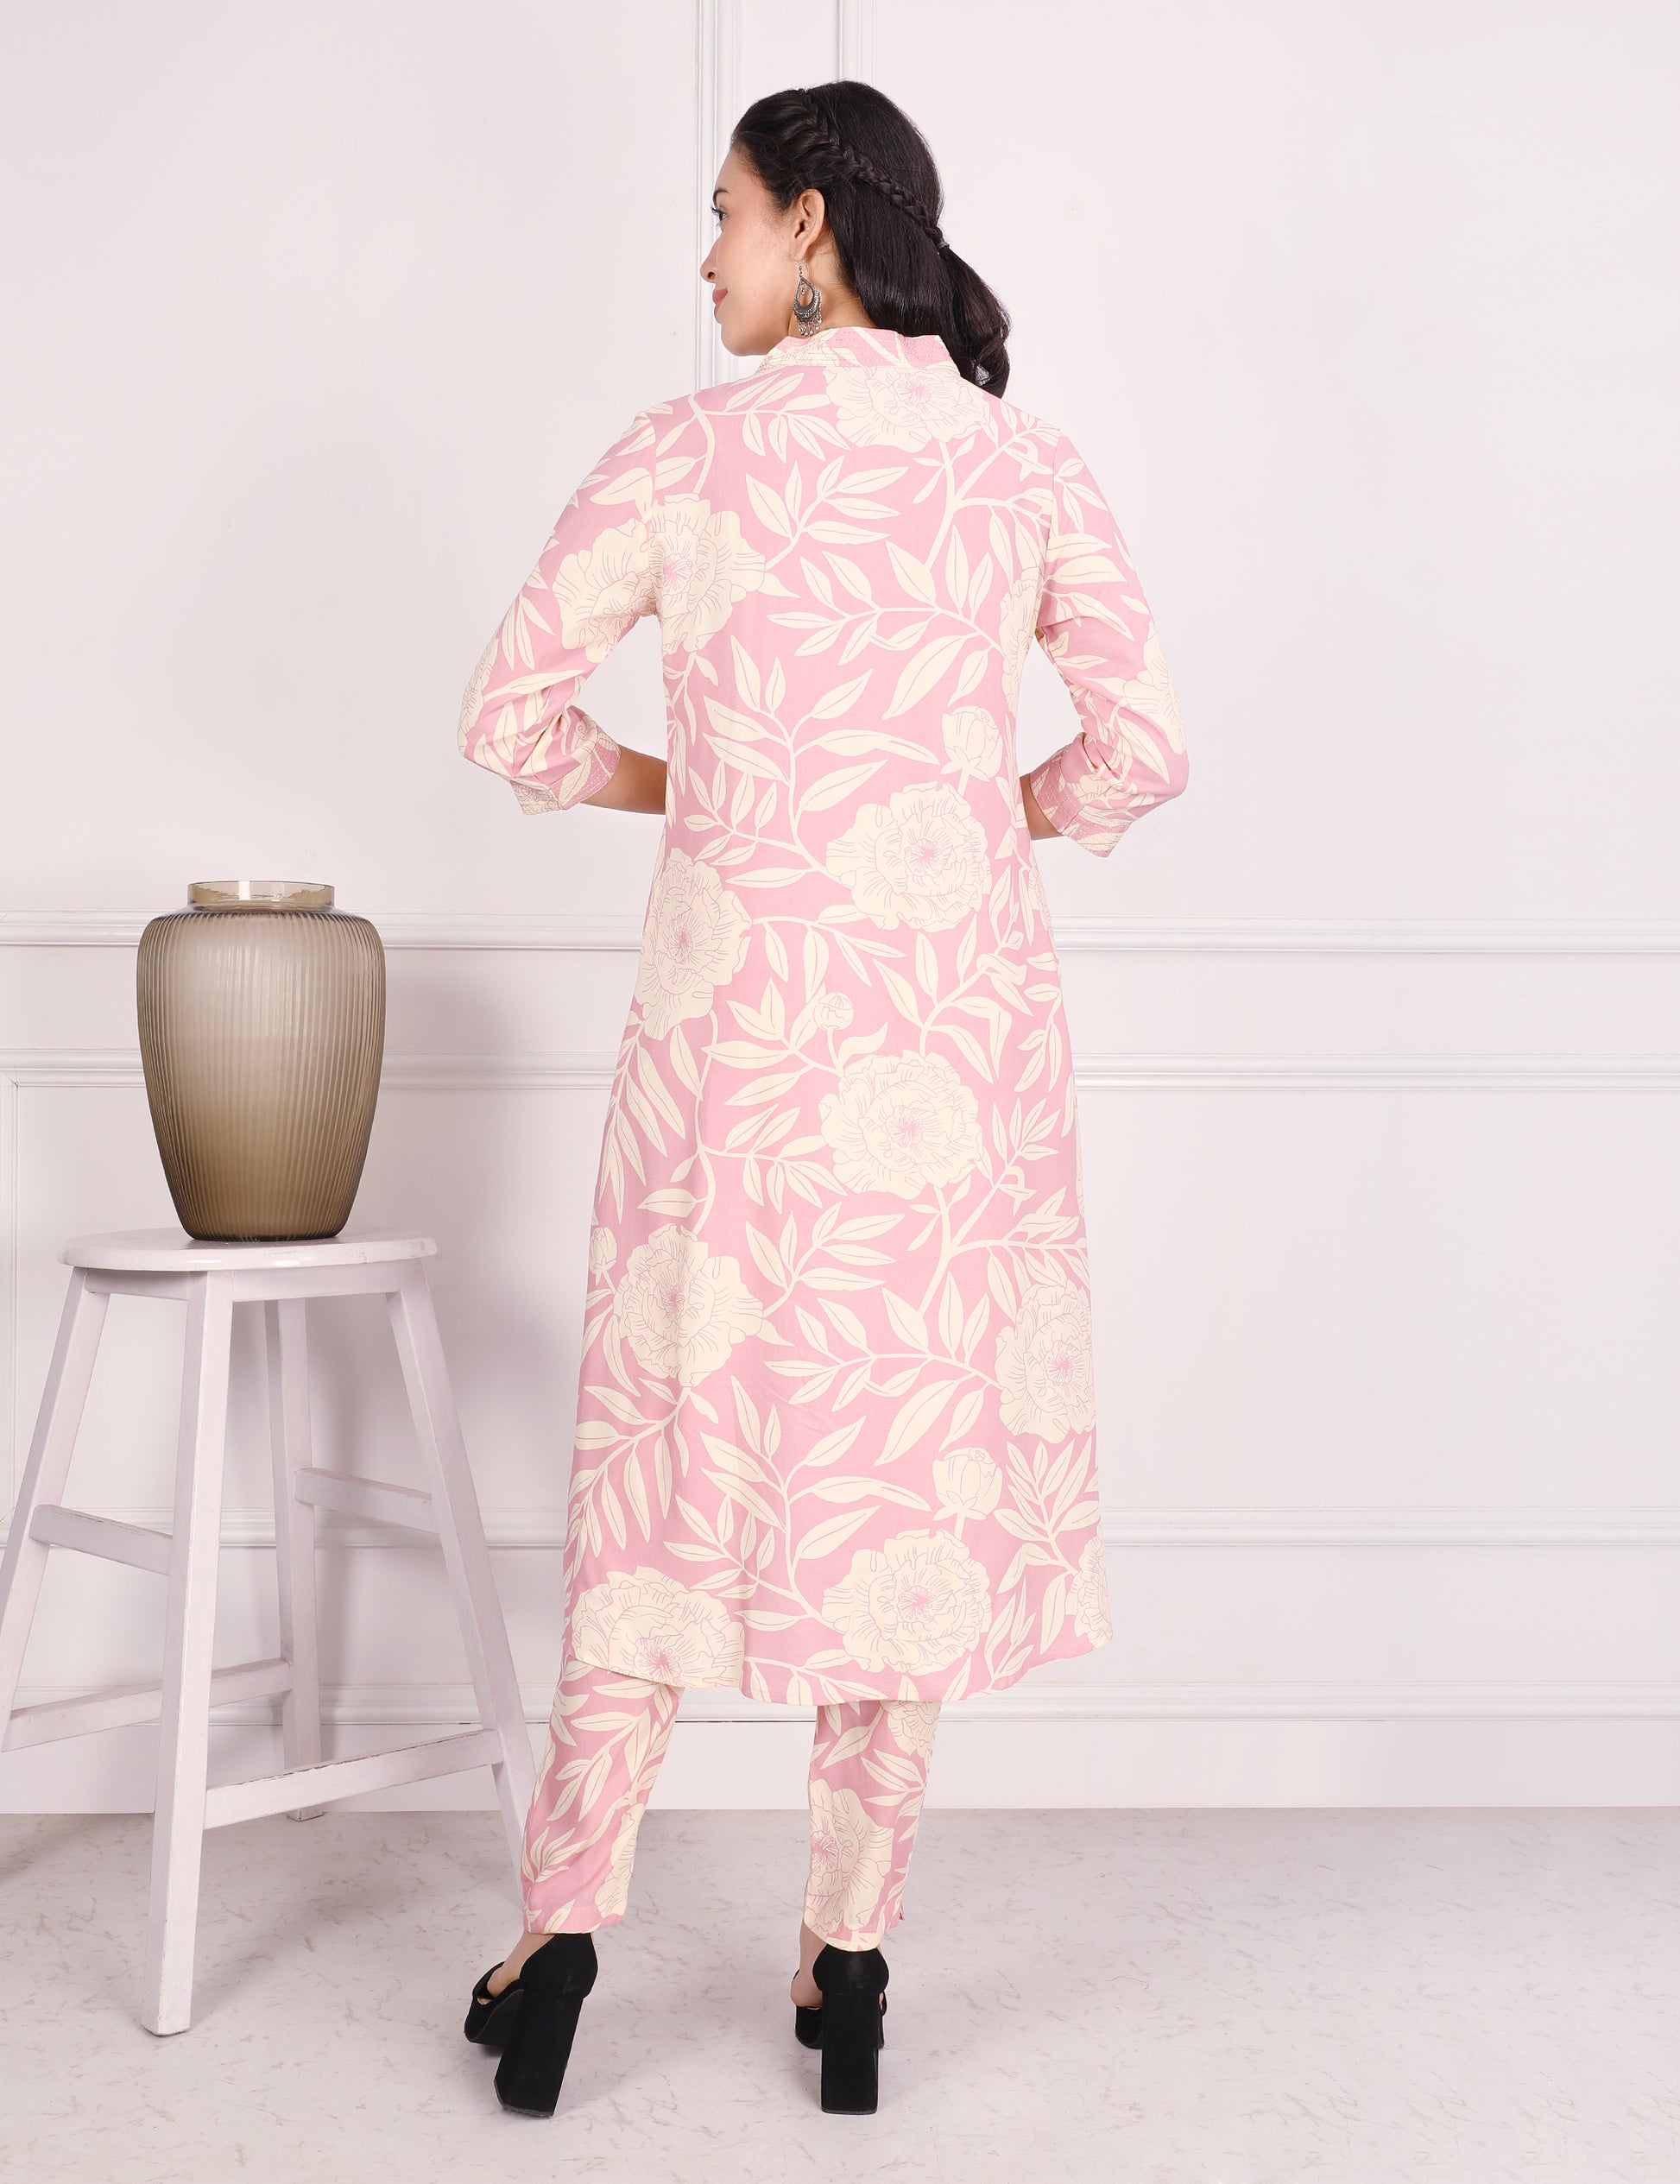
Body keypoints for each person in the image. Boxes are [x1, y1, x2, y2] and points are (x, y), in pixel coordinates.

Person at [454, 78, 1190, 2119]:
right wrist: (985, 809)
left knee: (658, 1478)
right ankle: (848, 1964)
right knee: (902, 1493)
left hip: (733, 1064)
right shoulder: (1020, 463)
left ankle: (559, 1936)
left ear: (809, 225)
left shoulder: (684, 452)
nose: (703, 255)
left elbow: (509, 714)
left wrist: (689, 788)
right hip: (950, 1069)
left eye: (723, 211)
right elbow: (1142, 746)